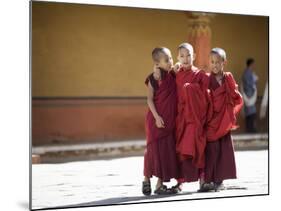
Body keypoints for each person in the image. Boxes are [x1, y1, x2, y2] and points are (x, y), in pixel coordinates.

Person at [200, 48, 243, 192]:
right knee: (211, 150)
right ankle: (207, 180)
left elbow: (235, 96)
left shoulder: (228, 77)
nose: (214, 65)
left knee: (223, 151)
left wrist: (230, 108)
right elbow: (202, 98)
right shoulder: (206, 78)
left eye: (218, 62)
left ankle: (220, 181)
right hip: (211, 120)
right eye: (212, 62)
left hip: (224, 120)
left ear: (224, 62)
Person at [171, 43, 210, 193]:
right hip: (180, 118)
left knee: (197, 148)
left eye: (188, 55)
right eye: (182, 56)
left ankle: (202, 179)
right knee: (180, 149)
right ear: (178, 57)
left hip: (195, 118)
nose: (185, 59)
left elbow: (205, 95)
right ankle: (180, 182)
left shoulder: (200, 75)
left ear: (194, 56)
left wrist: (190, 88)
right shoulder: (176, 74)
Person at [142, 47, 179, 195]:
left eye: (170, 58)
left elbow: (179, 66)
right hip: (155, 120)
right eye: (166, 60)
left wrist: (175, 66)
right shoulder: (153, 78)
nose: (170, 61)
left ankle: (159, 184)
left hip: (168, 121)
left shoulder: (172, 75)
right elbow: (149, 100)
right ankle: (146, 179)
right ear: (157, 63)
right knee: (152, 151)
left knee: (165, 152)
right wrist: (157, 117)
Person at [241, 58, 258, 133]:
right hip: (249, 95)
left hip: (248, 95)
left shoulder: (247, 72)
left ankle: (249, 129)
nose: (254, 65)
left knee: (249, 112)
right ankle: (251, 129)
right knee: (251, 113)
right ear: (251, 64)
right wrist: (255, 81)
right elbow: (250, 84)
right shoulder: (248, 72)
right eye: (253, 64)